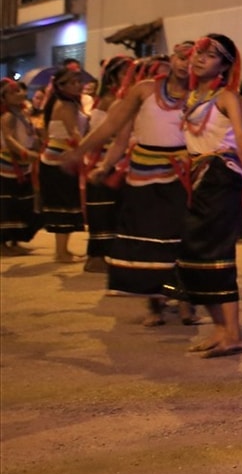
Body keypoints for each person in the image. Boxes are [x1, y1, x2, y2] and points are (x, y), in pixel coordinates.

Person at [69, 43, 195, 325]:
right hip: (143, 173)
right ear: (172, 58)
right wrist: (102, 163)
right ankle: (156, 305)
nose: (185, 63)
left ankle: (185, 300)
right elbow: (115, 130)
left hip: (181, 175)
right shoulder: (143, 91)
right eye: (180, 56)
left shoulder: (201, 95)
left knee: (179, 242)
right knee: (146, 241)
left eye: (192, 58)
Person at [175, 36, 242, 356]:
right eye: (199, 53)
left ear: (225, 65)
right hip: (198, 178)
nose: (200, 59)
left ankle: (232, 332)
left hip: (222, 177)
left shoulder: (228, 97)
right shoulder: (192, 96)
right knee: (194, 255)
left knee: (216, 253)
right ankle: (220, 329)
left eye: (211, 55)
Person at [81, 56, 136, 273]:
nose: (129, 78)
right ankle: (97, 257)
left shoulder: (123, 98)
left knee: (115, 209)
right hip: (104, 160)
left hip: (117, 160)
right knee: (103, 210)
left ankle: (109, 255)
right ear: (113, 76)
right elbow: (105, 134)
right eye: (125, 73)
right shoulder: (109, 100)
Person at [33, 67, 88, 262]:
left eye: (78, 81)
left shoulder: (66, 102)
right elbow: (74, 134)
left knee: (65, 203)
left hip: (59, 158)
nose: (77, 85)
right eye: (72, 82)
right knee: (63, 204)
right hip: (59, 159)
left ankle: (62, 250)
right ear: (60, 85)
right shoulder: (65, 105)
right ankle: (61, 252)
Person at [1, 78, 42, 255]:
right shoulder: (8, 115)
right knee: (7, 205)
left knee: (21, 203)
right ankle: (2, 245)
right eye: (13, 92)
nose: (20, 94)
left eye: (20, 91)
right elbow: (9, 139)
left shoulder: (21, 113)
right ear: (3, 98)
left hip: (20, 166)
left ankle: (15, 240)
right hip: (8, 165)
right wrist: (26, 153)